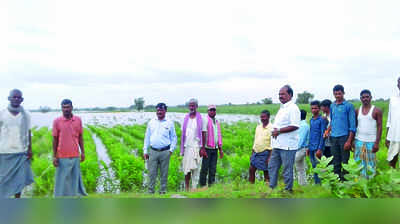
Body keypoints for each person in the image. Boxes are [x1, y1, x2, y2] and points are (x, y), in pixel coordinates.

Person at [0, 89, 34, 198]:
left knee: (18, 181)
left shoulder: (27, 115)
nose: (16, 99)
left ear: (22, 99)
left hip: (21, 152)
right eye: (14, 97)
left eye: (18, 97)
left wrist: (30, 149)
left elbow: (29, 132)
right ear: (9, 98)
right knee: (3, 179)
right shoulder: (2, 114)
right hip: (4, 152)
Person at [52, 99, 87, 197]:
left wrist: (83, 152)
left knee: (74, 179)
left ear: (72, 107)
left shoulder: (78, 120)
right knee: (61, 180)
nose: (66, 109)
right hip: (62, 156)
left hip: (75, 155)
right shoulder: (57, 121)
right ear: (61, 108)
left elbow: (80, 137)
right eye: (63, 107)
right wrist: (54, 156)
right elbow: (54, 139)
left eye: (67, 107)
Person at [269, 85, 300, 192]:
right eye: (279, 94)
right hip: (277, 144)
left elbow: (295, 125)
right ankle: (272, 188)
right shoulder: (282, 108)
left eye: (283, 94)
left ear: (290, 95)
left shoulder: (293, 108)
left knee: (287, 170)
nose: (280, 96)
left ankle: (288, 190)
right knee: (272, 166)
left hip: (287, 146)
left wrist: (279, 131)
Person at [143, 103, 177, 194]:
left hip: (165, 151)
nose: (159, 112)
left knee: (164, 173)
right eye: (158, 110)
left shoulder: (169, 123)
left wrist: (171, 150)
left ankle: (163, 191)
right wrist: (145, 150)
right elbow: (147, 137)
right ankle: (151, 191)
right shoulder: (151, 122)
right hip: (153, 151)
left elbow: (174, 137)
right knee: (151, 173)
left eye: (161, 110)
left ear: (165, 111)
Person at [329, 85, 356, 181]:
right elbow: (332, 122)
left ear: (343, 93)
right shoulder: (332, 105)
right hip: (334, 137)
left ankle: (345, 184)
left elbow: (352, 126)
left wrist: (349, 141)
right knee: (335, 162)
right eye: (335, 94)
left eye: (339, 93)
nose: (337, 96)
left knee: (345, 162)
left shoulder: (349, 106)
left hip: (344, 138)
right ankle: (336, 183)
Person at [354, 90, 383, 178]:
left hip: (371, 142)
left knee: (371, 164)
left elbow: (380, 127)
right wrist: (352, 141)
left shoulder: (376, 110)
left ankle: (370, 183)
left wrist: (377, 143)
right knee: (359, 163)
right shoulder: (357, 111)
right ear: (360, 99)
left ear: (371, 98)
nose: (365, 99)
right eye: (363, 97)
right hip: (359, 141)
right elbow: (355, 126)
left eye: (367, 97)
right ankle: (360, 183)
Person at [180, 98, 205, 191]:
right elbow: (183, 133)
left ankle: (194, 188)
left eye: (193, 105)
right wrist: (181, 149)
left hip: (197, 147)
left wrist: (202, 147)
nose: (191, 107)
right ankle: (187, 188)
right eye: (190, 105)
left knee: (196, 168)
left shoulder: (201, 118)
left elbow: (203, 133)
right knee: (187, 169)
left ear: (197, 106)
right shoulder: (185, 118)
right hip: (187, 147)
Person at [199, 105, 224, 187]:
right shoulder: (205, 120)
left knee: (213, 168)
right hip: (207, 148)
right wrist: (202, 148)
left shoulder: (216, 121)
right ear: (208, 111)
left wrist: (220, 149)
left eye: (214, 110)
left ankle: (211, 185)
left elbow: (218, 135)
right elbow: (203, 134)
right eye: (211, 110)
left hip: (215, 148)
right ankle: (202, 185)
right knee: (205, 168)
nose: (212, 111)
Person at [249, 110, 273, 184]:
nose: (262, 119)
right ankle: (251, 186)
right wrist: (252, 153)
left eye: (264, 117)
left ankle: (267, 188)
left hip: (266, 152)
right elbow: (255, 140)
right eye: (261, 117)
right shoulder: (258, 127)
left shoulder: (272, 128)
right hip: (256, 152)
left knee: (266, 172)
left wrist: (270, 157)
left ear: (268, 117)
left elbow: (273, 144)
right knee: (251, 169)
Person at [308, 100, 327, 184]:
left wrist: (320, 149)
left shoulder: (322, 120)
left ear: (319, 109)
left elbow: (323, 135)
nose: (313, 110)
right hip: (311, 147)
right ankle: (317, 184)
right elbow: (311, 134)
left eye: (315, 108)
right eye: (312, 108)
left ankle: (321, 184)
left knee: (319, 167)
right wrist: (308, 147)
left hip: (318, 148)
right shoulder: (311, 120)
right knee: (314, 166)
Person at [387, 77, 400, 168]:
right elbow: (389, 118)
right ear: (397, 84)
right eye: (399, 82)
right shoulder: (393, 99)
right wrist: (387, 136)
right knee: (392, 159)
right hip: (394, 134)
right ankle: (393, 181)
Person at [295, 109, 309, 186]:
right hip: (300, 149)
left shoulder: (303, 126)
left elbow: (301, 139)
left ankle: (288, 183)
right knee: (300, 168)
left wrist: (294, 149)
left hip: (301, 149)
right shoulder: (302, 125)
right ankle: (303, 184)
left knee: (289, 164)